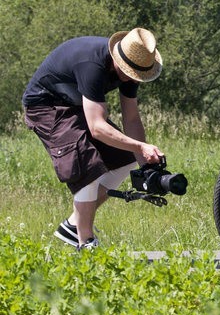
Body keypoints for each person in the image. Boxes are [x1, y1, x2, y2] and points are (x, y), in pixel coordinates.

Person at [23, 28, 165, 250]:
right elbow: (97, 127)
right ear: (118, 58)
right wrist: (141, 145)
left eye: (135, 75)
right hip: (46, 105)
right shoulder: (92, 65)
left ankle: (73, 225)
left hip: (76, 105)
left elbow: (132, 119)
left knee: (125, 160)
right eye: (128, 72)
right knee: (87, 166)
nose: (129, 78)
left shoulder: (131, 67)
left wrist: (144, 162)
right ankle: (86, 242)